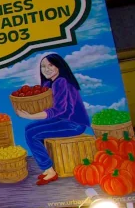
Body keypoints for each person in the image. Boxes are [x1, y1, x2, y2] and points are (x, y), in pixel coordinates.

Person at [18, 53, 90, 185]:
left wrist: (31, 116)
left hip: (74, 124)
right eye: (43, 66)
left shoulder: (61, 82)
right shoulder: (51, 83)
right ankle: (48, 166)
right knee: (29, 128)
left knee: (31, 133)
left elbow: (58, 110)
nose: (46, 69)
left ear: (59, 66)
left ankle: (49, 170)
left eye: (50, 65)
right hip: (63, 120)